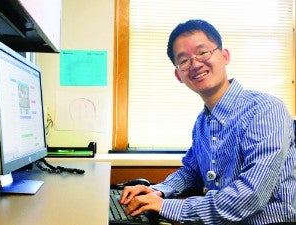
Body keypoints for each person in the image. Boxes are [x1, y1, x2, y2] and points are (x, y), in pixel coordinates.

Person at [119, 19, 296, 224]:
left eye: (202, 52)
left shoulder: (265, 110)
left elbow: (251, 195)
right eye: (184, 60)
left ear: (225, 56)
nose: (194, 64)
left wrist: (167, 206)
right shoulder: (202, 123)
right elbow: (191, 171)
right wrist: (157, 191)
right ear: (179, 75)